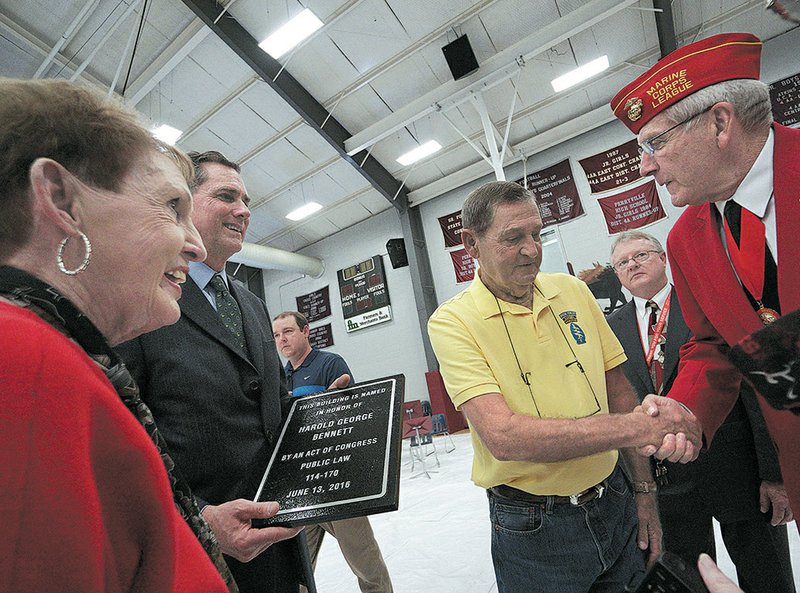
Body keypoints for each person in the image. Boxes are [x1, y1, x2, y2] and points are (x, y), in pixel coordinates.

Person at [0, 79, 229, 592]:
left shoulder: (52, 356)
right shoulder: (23, 365)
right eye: (172, 206)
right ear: (61, 199)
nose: (194, 244)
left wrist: (191, 534)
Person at [426, 181, 701, 593]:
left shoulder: (572, 291)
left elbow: (619, 393)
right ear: (471, 244)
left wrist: (644, 492)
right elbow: (504, 437)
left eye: (537, 234)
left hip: (616, 501)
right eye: (512, 238)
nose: (532, 249)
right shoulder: (452, 323)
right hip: (535, 531)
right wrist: (642, 427)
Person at [610, 32, 800, 515]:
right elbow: (713, 344)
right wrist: (687, 409)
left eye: (655, 142)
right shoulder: (686, 239)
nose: (646, 167)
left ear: (720, 122)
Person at [116, 151, 310, 593]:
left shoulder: (254, 305)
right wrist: (198, 519)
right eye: (227, 196)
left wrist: (334, 419)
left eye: (246, 201)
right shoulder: (144, 295)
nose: (243, 210)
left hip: (276, 540)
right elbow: (123, 436)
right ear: (182, 203)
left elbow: (274, 408)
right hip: (197, 553)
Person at [606, 231, 794, 593]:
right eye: (623, 263)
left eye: (641, 255)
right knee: (688, 581)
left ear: (663, 259)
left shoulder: (702, 304)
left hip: (739, 473)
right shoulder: (611, 329)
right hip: (670, 485)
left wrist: (774, 473)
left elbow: (754, 389)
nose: (633, 265)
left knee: (769, 578)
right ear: (617, 276)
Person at [272, 311, 394, 593]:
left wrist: (332, 404)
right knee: (298, 572)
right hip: (302, 485)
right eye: (277, 335)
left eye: (288, 331)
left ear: (305, 331)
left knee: (365, 563)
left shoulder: (330, 363)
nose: (282, 339)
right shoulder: (282, 376)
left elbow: (354, 416)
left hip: (337, 482)